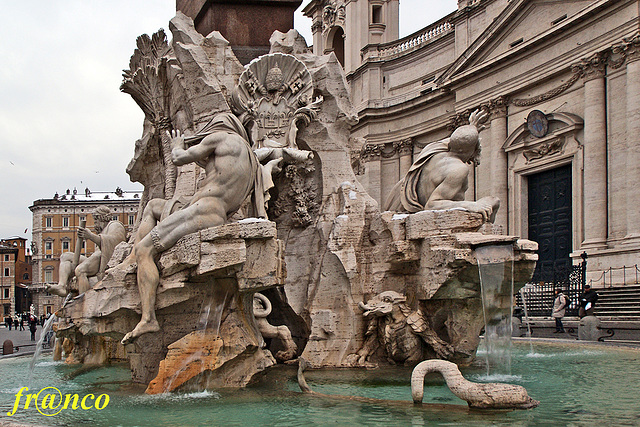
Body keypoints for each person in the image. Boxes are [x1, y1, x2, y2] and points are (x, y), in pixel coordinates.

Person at [120, 113, 280, 345]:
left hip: (204, 209)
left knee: (145, 249)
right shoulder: (250, 160)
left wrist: (177, 145)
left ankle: (148, 318)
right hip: (218, 214)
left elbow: (178, 158)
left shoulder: (221, 138)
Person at [383, 110, 500, 221]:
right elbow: (432, 205)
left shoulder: (433, 149)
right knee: (493, 202)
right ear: (471, 150)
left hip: (403, 205)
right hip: (430, 214)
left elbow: (460, 139)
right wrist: (472, 205)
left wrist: (472, 128)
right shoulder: (459, 169)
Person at [46, 206, 126, 297]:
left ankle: (84, 299)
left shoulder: (115, 225)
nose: (95, 224)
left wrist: (91, 236)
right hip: (97, 259)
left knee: (80, 270)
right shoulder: (103, 230)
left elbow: (116, 243)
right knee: (65, 256)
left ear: (102, 218)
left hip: (104, 260)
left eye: (95, 221)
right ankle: (62, 286)